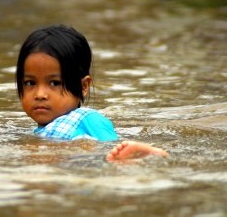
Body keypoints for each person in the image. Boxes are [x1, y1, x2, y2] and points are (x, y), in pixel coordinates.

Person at [16, 24, 168, 162]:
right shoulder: (40, 132)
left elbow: (113, 148)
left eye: (55, 83)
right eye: (30, 83)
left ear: (83, 86)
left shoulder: (87, 119)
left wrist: (123, 156)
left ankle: (149, 154)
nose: (40, 94)